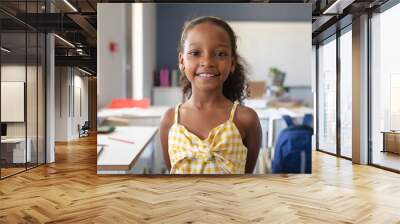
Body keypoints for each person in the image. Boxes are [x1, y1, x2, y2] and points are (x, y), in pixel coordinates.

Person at [159, 16, 261, 174]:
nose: (207, 62)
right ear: (182, 61)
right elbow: (171, 172)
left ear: (232, 63)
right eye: (195, 53)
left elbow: (246, 177)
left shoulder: (246, 119)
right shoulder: (170, 120)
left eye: (220, 54)